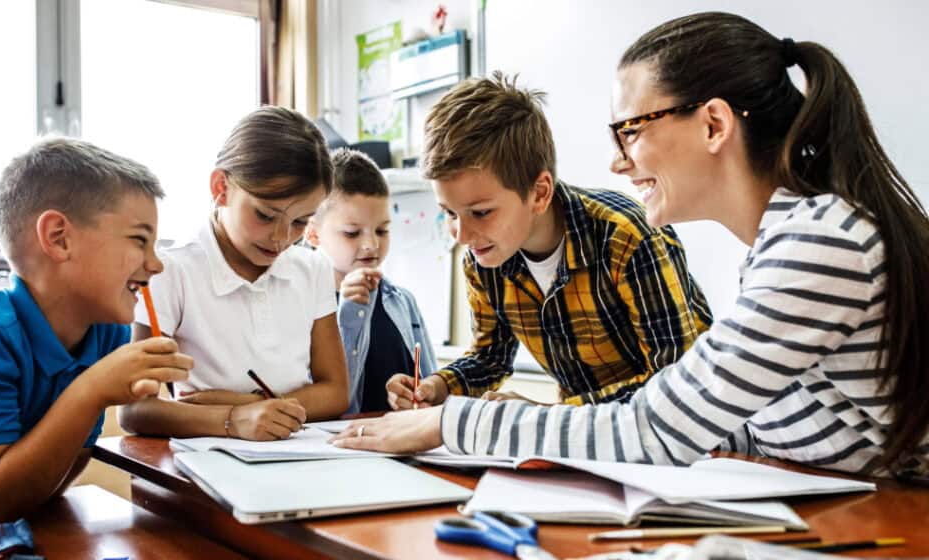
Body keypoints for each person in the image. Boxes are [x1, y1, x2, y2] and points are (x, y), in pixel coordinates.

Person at [334, 12, 929, 478]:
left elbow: (655, 428)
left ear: (714, 125)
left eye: (631, 130)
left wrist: (454, 422)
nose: (618, 161)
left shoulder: (818, 242)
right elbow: (745, 426)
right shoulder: (788, 240)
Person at [0, 138, 192, 526]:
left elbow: (53, 480)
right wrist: (91, 391)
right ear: (59, 237)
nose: (156, 264)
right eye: (140, 240)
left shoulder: (106, 334)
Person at [383, 72, 711, 410]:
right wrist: (435, 387)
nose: (462, 235)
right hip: (586, 436)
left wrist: (550, 415)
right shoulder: (485, 256)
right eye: (449, 213)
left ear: (539, 193)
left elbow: (676, 380)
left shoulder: (625, 235)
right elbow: (489, 358)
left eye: (480, 213)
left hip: (688, 435)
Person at [119, 107, 349, 441]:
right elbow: (135, 409)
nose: (282, 237)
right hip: (202, 464)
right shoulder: (170, 270)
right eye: (266, 215)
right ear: (221, 187)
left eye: (300, 221)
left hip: (295, 455)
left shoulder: (312, 268)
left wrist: (248, 405)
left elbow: (336, 393)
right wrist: (233, 419)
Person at [305, 148, 436, 413]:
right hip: (337, 448)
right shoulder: (302, 305)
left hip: (398, 444)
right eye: (352, 233)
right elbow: (330, 406)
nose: (371, 244)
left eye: (382, 230)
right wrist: (350, 315)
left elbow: (433, 386)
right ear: (313, 234)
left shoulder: (402, 301)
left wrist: (421, 395)